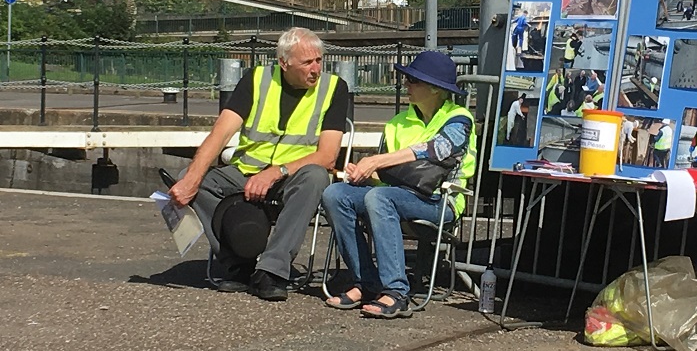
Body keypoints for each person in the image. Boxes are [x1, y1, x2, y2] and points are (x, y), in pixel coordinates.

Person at [168, 27, 348, 302]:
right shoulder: (257, 79)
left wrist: (277, 172)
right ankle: (238, 260)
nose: (315, 69)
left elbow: (327, 156)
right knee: (191, 177)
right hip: (245, 170)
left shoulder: (334, 88)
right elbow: (221, 134)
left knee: (316, 177)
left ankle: (272, 270)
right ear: (284, 63)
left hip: (293, 176)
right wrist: (191, 180)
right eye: (307, 62)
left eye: (319, 60)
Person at [321, 51, 476, 319]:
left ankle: (395, 292)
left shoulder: (459, 119)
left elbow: (436, 149)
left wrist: (376, 160)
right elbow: (386, 177)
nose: (406, 84)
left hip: (441, 202)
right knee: (336, 194)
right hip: (394, 195)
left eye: (413, 80)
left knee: (380, 199)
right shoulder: (396, 123)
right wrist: (363, 172)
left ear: (435, 89)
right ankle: (366, 282)